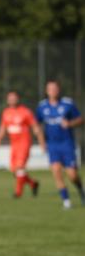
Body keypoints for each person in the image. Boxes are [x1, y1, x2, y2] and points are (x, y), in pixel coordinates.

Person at [35, 80, 84, 209]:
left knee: (72, 175)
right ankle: (66, 201)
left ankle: (80, 190)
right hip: (52, 145)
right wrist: (41, 142)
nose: (53, 91)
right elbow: (37, 125)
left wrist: (70, 124)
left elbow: (80, 119)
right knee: (56, 171)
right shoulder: (42, 107)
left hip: (67, 144)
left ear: (59, 90)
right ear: (47, 91)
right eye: (50, 89)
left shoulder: (68, 104)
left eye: (55, 88)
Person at [0, 90, 44, 198]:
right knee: (15, 171)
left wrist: (40, 140)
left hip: (24, 143)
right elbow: (3, 127)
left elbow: (35, 126)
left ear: (18, 99)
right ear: (7, 100)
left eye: (14, 98)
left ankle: (18, 193)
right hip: (14, 145)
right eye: (10, 98)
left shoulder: (25, 112)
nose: (12, 100)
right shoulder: (6, 112)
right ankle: (33, 183)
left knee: (20, 168)